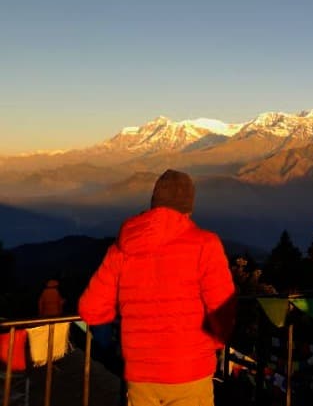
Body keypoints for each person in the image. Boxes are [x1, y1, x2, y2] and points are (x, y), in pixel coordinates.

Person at [79, 169, 236, 406]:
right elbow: (222, 309)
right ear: (189, 208)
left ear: (154, 204)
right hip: (190, 370)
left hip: (140, 375)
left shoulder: (122, 247)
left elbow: (90, 308)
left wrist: (116, 338)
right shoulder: (205, 245)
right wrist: (212, 343)